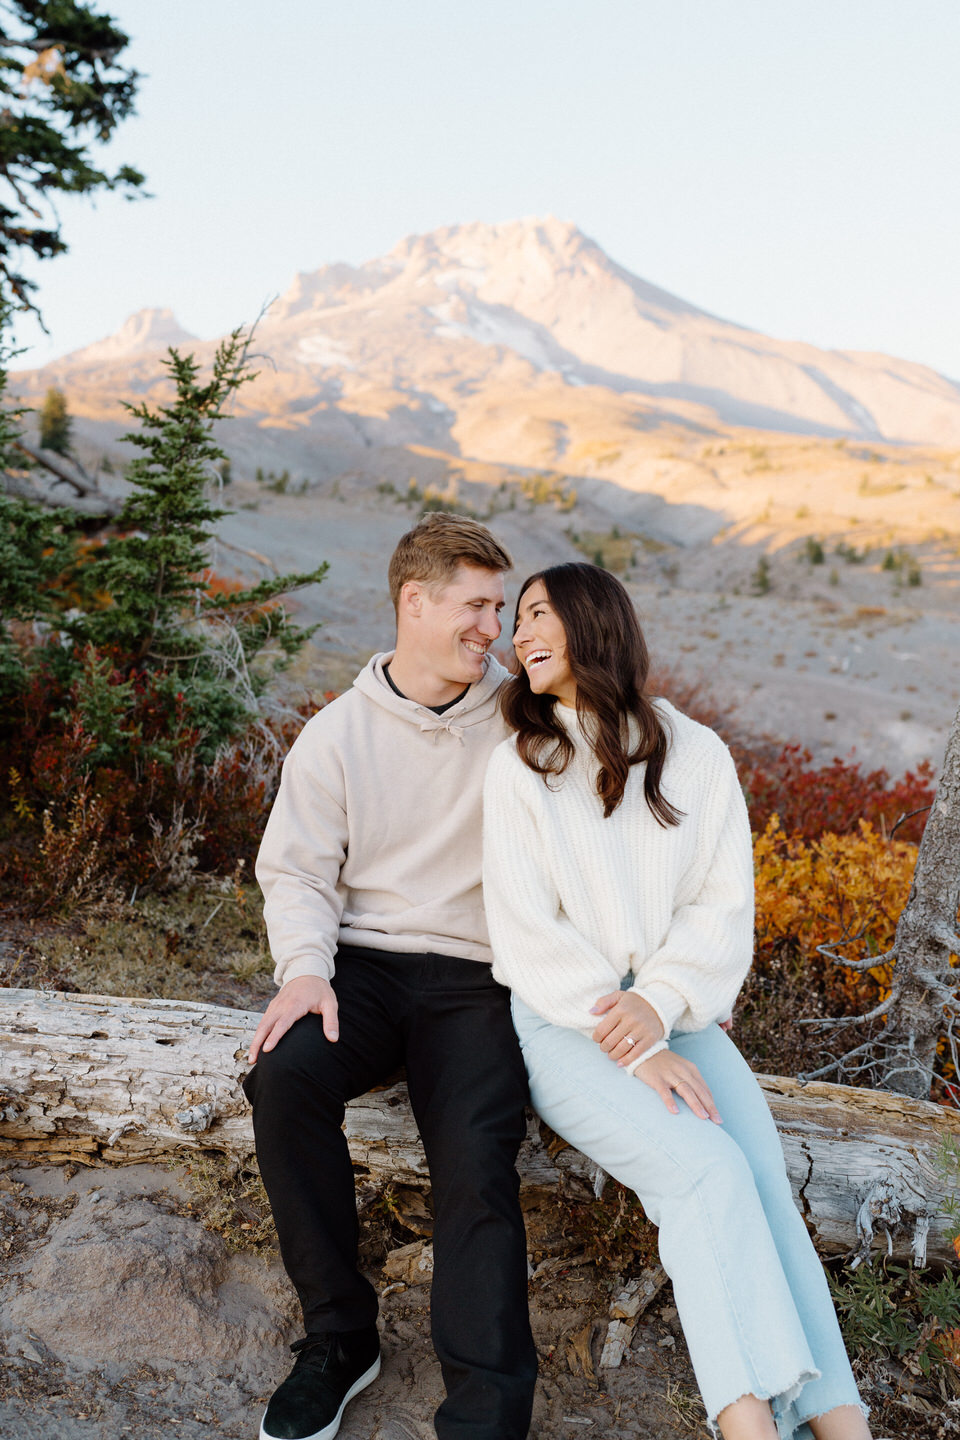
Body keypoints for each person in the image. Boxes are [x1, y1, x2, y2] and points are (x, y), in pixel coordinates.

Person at [481, 562, 871, 1440]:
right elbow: (525, 930)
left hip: (679, 1017)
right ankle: (749, 1429)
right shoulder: (522, 767)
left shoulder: (695, 753)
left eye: (538, 614)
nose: (519, 635)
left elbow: (721, 908)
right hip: (568, 1024)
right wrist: (631, 1033)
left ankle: (844, 1427)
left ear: (593, 623)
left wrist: (659, 1006)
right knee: (706, 1173)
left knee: (766, 1187)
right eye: (515, 620)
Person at [244, 513, 537, 1440]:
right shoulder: (336, 735)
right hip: (361, 967)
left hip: (479, 977)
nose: (497, 627)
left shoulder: (525, 718)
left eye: (501, 605)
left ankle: (486, 1410)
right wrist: (304, 971)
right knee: (282, 1077)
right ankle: (338, 1338)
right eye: (478, 605)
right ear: (415, 602)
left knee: (474, 1159)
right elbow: (295, 871)